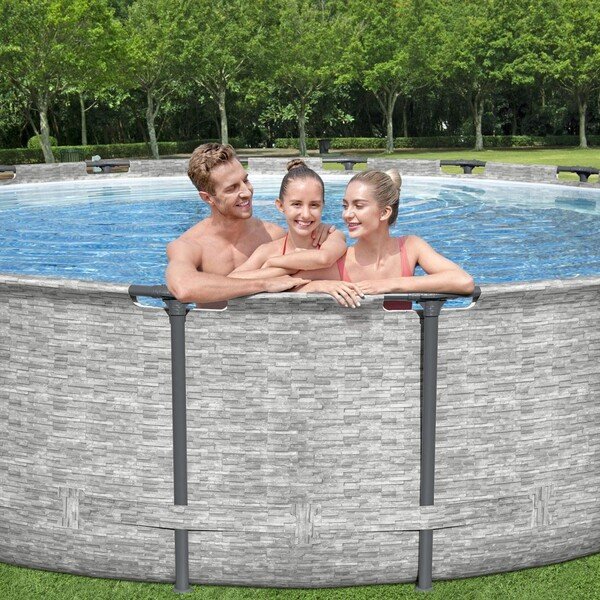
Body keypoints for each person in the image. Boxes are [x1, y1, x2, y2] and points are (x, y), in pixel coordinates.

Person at [165, 144, 333, 303]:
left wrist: (319, 231)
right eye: (232, 188)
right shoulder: (189, 245)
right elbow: (183, 287)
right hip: (216, 325)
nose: (246, 192)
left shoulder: (273, 235)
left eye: (245, 180)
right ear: (208, 198)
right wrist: (264, 284)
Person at [298, 169, 474, 307]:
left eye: (358, 206)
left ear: (384, 212)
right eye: (345, 206)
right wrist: (321, 286)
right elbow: (288, 284)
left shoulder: (411, 247)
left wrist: (389, 285)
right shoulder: (341, 261)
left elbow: (463, 281)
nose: (347, 214)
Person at [229, 159, 347, 279]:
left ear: (322, 206)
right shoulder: (267, 251)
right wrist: (289, 267)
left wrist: (272, 263)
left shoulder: (332, 236)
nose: (306, 214)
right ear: (281, 206)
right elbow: (231, 280)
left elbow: (324, 259)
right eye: (297, 204)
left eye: (314, 205)